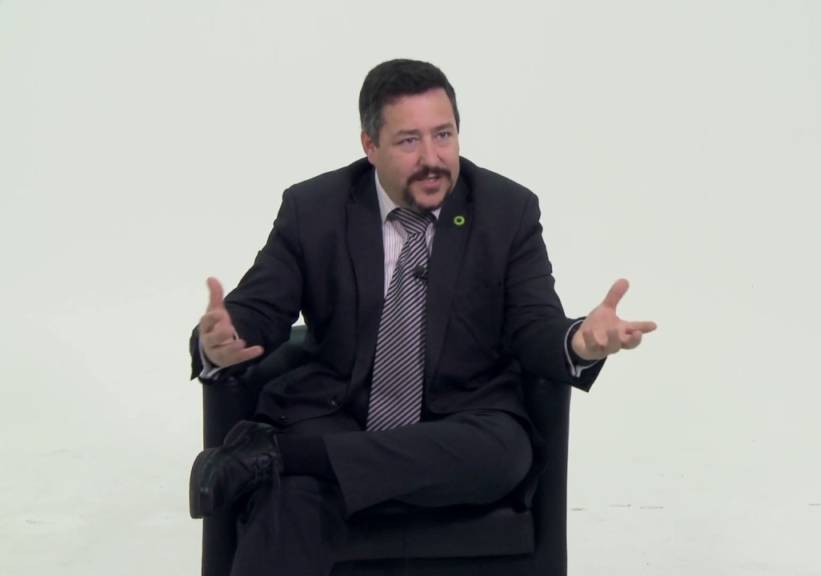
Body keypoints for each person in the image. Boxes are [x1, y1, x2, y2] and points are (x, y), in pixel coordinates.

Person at [188, 58, 657, 575]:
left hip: (459, 417)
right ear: (370, 146)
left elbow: (533, 323)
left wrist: (578, 343)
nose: (432, 159)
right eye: (409, 141)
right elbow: (259, 308)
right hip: (341, 414)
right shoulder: (314, 208)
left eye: (444, 135)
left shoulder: (507, 211)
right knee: (289, 504)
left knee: (505, 453)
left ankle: (278, 457)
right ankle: (306, 467)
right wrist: (220, 341)